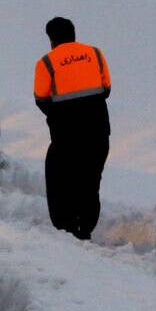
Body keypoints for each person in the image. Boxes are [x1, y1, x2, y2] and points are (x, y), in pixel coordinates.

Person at [33, 17, 111, 240]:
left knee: (60, 178)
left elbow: (41, 98)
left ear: (51, 38)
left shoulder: (46, 63)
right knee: (90, 180)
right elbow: (106, 89)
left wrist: (61, 116)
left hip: (66, 137)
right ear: (73, 34)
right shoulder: (96, 54)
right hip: (99, 133)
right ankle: (85, 227)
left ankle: (66, 227)